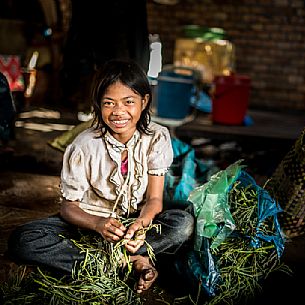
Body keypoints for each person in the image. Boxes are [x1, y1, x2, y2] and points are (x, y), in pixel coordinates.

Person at [7, 59, 194, 293]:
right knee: (23, 240)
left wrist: (140, 226)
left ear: (144, 102)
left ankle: (126, 257)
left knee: (183, 224)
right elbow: (68, 208)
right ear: (98, 104)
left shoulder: (157, 137)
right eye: (109, 103)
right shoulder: (84, 146)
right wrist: (98, 224)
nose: (118, 112)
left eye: (129, 102)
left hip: (133, 227)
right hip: (88, 224)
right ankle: (126, 263)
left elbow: (154, 200)